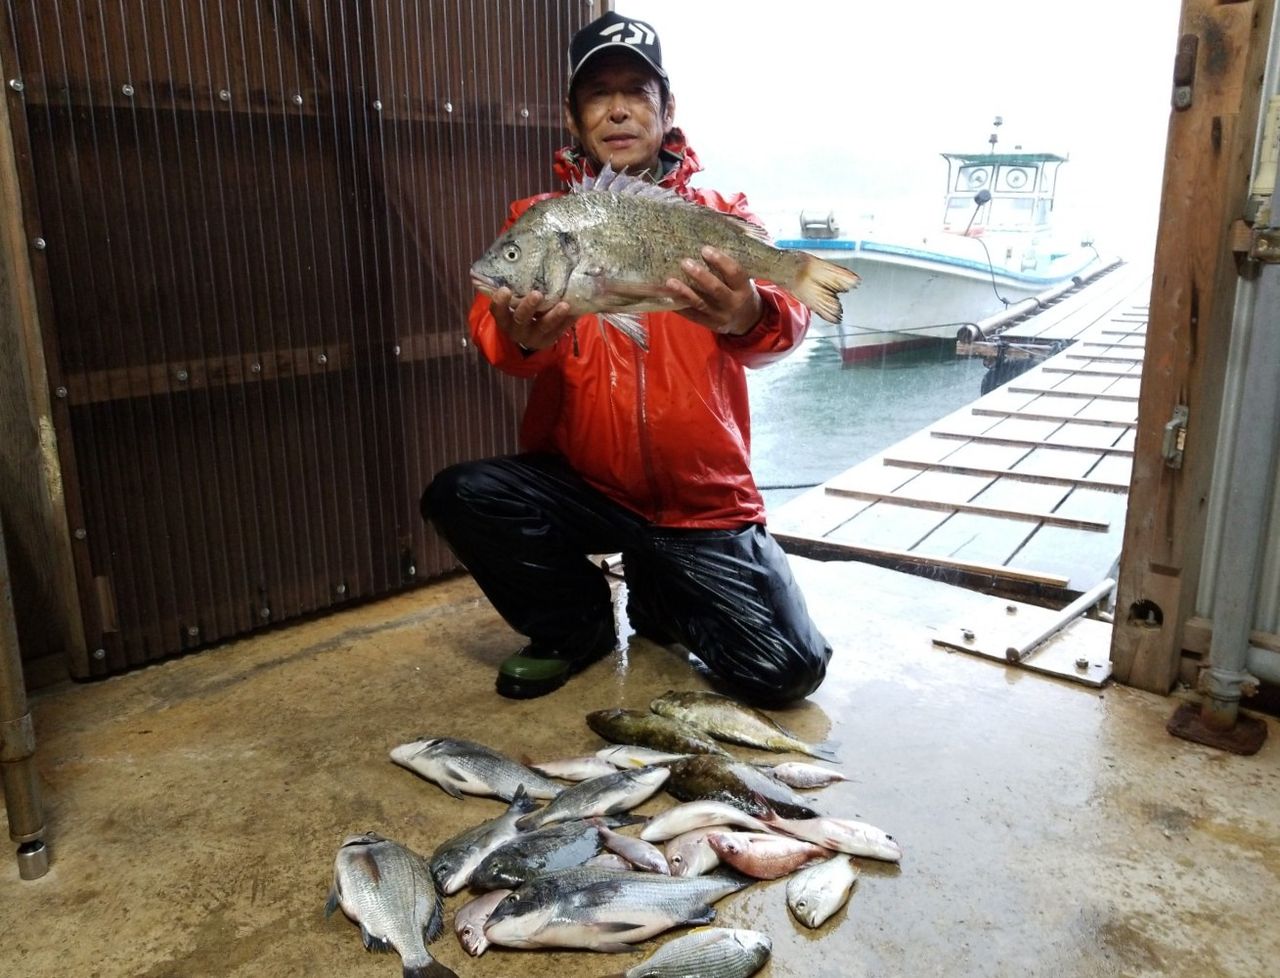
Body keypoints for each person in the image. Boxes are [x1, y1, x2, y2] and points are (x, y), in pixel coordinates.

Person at [421, 10, 832, 703]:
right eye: (596, 94)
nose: (617, 109)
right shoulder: (543, 218)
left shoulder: (719, 210)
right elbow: (496, 337)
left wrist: (749, 312)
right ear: (573, 117)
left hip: (703, 502)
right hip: (587, 488)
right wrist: (526, 336)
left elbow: (785, 327)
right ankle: (574, 626)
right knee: (463, 494)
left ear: (666, 109)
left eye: (636, 92)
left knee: (788, 670)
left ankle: (660, 596)